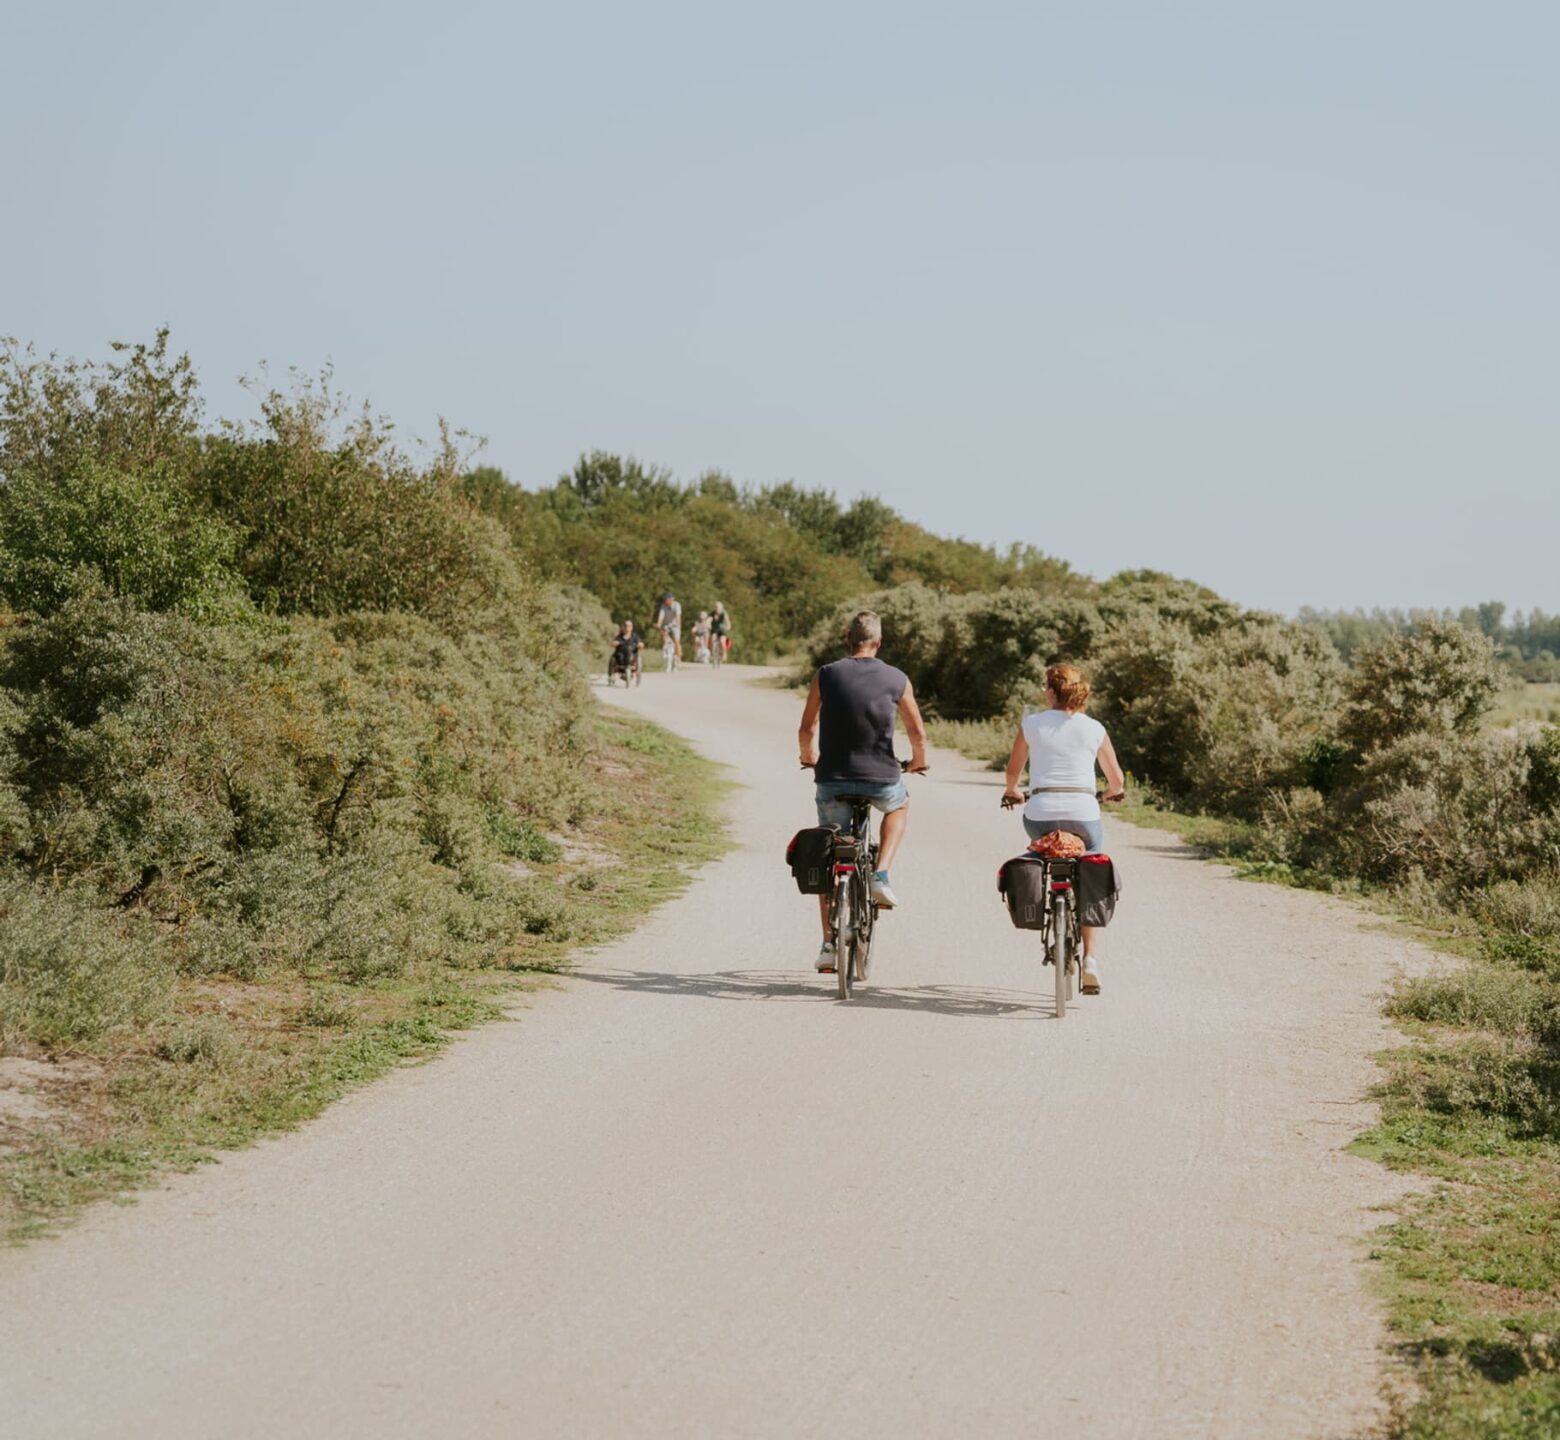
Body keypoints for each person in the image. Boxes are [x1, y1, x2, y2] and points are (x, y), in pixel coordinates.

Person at [797, 610, 929, 972]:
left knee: (830, 856)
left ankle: (828, 944)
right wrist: (918, 761)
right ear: (879, 642)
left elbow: (807, 727)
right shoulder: (897, 678)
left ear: (847, 640)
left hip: (832, 779)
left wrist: (809, 756)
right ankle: (881, 875)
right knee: (898, 806)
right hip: (882, 777)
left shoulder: (826, 675)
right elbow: (917, 732)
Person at [1001, 663, 1126, 995]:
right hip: (1084, 816)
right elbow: (1117, 780)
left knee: (1038, 850)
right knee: (1091, 866)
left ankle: (1040, 889)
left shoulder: (1032, 724)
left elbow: (1013, 771)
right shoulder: (1094, 728)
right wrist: (1112, 793)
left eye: (1045, 687)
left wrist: (1013, 791)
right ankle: (1091, 961)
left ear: (1054, 692)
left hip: (1039, 814)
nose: (1043, 692)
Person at [609, 620, 643, 684]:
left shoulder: (635, 636)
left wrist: (640, 644)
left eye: (629, 626)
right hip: (620, 657)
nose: (627, 628)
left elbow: (641, 643)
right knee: (618, 655)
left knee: (630, 649)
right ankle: (615, 674)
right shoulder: (619, 637)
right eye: (626, 626)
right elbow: (612, 643)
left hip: (632, 658)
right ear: (623, 627)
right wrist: (615, 643)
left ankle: (632, 670)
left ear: (632, 627)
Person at [653, 592, 683, 663]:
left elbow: (678, 616)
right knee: (663, 635)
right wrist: (658, 623)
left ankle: (679, 657)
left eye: (667, 599)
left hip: (675, 624)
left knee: (676, 640)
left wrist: (677, 623)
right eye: (665, 599)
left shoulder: (677, 605)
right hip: (666, 624)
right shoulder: (663, 606)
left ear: (671, 599)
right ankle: (666, 651)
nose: (666, 601)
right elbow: (661, 615)